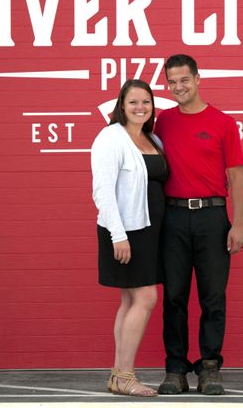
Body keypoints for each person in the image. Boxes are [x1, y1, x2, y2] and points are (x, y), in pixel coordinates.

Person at [154, 54, 243, 396]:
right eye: (171, 82)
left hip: (212, 217)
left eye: (184, 80)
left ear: (197, 78)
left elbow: (237, 177)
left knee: (213, 297)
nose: (178, 87)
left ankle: (210, 368)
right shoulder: (162, 121)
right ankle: (175, 369)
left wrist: (237, 225)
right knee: (174, 297)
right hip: (173, 218)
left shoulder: (222, 122)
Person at [91, 79, 168, 397]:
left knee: (130, 300)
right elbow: (102, 191)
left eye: (146, 102)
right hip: (126, 232)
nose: (140, 108)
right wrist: (118, 235)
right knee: (146, 298)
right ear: (121, 105)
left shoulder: (153, 138)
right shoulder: (111, 138)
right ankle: (125, 375)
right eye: (133, 102)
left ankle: (117, 375)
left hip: (149, 232)